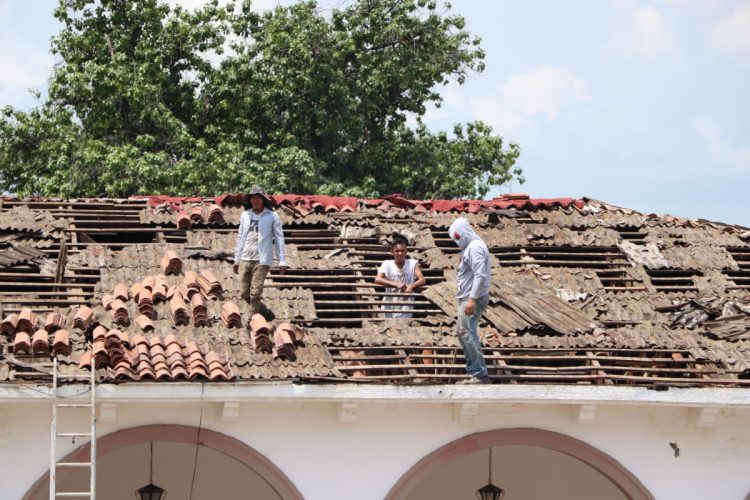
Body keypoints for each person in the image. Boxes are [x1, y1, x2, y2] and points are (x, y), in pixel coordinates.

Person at [448, 217, 491, 384]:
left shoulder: (475, 248)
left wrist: (472, 299)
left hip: (472, 297)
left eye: (458, 237)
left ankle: (480, 373)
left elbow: (480, 275)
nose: (457, 241)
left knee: (467, 332)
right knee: (463, 332)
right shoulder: (469, 248)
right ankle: (474, 370)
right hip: (466, 297)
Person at [233, 185, 286, 316]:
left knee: (255, 292)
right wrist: (236, 259)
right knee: (244, 293)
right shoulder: (245, 215)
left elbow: (279, 238)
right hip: (246, 257)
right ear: (249, 200)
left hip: (262, 259)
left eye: (258, 198)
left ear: (263, 200)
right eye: (253, 198)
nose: (255, 201)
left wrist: (282, 260)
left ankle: (251, 321)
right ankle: (265, 313)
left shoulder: (272, 216)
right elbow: (240, 237)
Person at [374, 238, 426, 318]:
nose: (400, 253)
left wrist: (411, 286)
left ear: (406, 251)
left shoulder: (412, 263)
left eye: (402, 250)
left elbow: (422, 280)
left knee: (404, 326)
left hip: (406, 304)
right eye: (397, 251)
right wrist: (396, 284)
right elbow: (377, 279)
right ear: (392, 252)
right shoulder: (387, 264)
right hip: (389, 304)